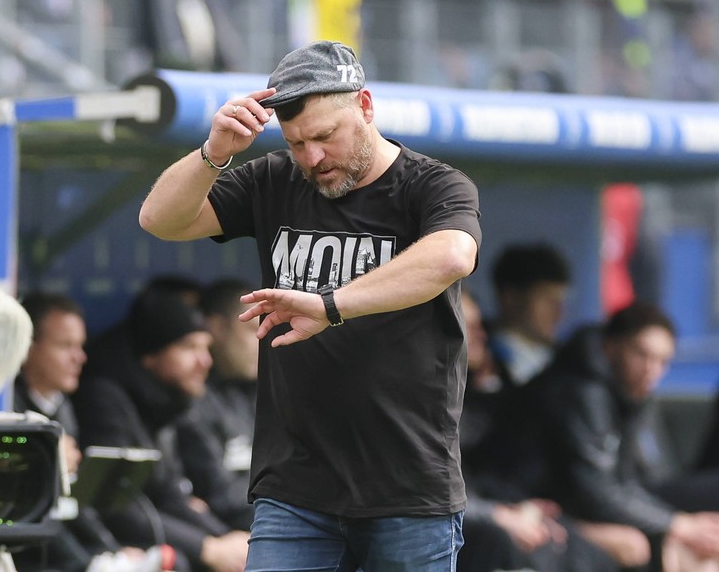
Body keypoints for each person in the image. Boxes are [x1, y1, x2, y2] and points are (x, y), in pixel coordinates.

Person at [139, 40, 481, 571]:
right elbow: (161, 220)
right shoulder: (275, 178)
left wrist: (332, 304)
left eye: (324, 137)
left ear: (365, 107)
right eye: (296, 142)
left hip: (408, 489)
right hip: (295, 488)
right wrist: (215, 153)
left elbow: (452, 256)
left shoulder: (432, 185)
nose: (311, 158)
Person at [501, 302, 719, 571]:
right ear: (611, 347)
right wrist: (678, 524)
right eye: (641, 354)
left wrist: (678, 524)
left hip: (592, 504)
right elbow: (594, 492)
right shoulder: (583, 390)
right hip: (534, 506)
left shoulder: (627, 392)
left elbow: (625, 482)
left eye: (662, 361)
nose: (651, 369)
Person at [71, 281, 249, 572]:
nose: (204, 361)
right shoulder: (104, 399)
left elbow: (170, 496)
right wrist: (208, 548)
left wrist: (227, 540)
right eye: (189, 347)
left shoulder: (167, 403)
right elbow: (115, 505)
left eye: (206, 348)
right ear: (152, 356)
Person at [457, 288, 619, 572]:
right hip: (471, 523)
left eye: (479, 325)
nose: (482, 335)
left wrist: (513, 506)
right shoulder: (420, 400)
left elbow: (474, 477)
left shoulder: (481, 387)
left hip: (496, 505)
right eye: (469, 327)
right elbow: (427, 489)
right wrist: (498, 514)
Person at [12, 292, 170, 572]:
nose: (79, 358)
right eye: (65, 346)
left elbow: (75, 503)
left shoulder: (64, 408)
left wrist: (108, 552)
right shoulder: (6, 407)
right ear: (27, 347)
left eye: (81, 346)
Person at [176, 278, 259, 532]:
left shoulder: (253, 389)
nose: (261, 340)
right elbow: (220, 495)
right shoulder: (192, 398)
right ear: (217, 328)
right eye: (250, 329)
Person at [488, 242, 571, 386]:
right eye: (546, 299)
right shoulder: (478, 359)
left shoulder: (567, 363)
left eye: (560, 301)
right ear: (510, 298)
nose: (558, 313)